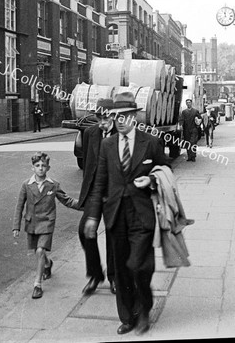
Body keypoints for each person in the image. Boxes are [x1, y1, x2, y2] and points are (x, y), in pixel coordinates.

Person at [84, 91, 170, 336]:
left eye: (124, 116)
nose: (119, 120)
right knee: (121, 269)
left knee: (138, 266)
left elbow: (165, 168)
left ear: (134, 116)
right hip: (116, 215)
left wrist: (151, 179)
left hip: (142, 214)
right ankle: (128, 316)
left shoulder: (150, 142)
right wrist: (92, 216)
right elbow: (100, 181)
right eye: (115, 116)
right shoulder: (108, 145)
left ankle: (144, 309)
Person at [12, 152, 79, 299]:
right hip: (32, 223)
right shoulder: (26, 185)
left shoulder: (53, 185)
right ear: (32, 168)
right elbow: (19, 206)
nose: (40, 168)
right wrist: (16, 226)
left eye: (43, 165)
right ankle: (48, 264)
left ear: (48, 167)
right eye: (37, 166)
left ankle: (37, 284)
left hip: (47, 222)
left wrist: (86, 205)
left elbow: (67, 200)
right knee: (38, 251)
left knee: (40, 251)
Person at [78, 98, 116, 296]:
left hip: (113, 193)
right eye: (99, 118)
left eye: (106, 118)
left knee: (113, 235)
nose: (102, 122)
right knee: (85, 231)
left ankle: (114, 277)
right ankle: (95, 274)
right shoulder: (90, 133)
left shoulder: (121, 133)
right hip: (94, 191)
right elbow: (87, 164)